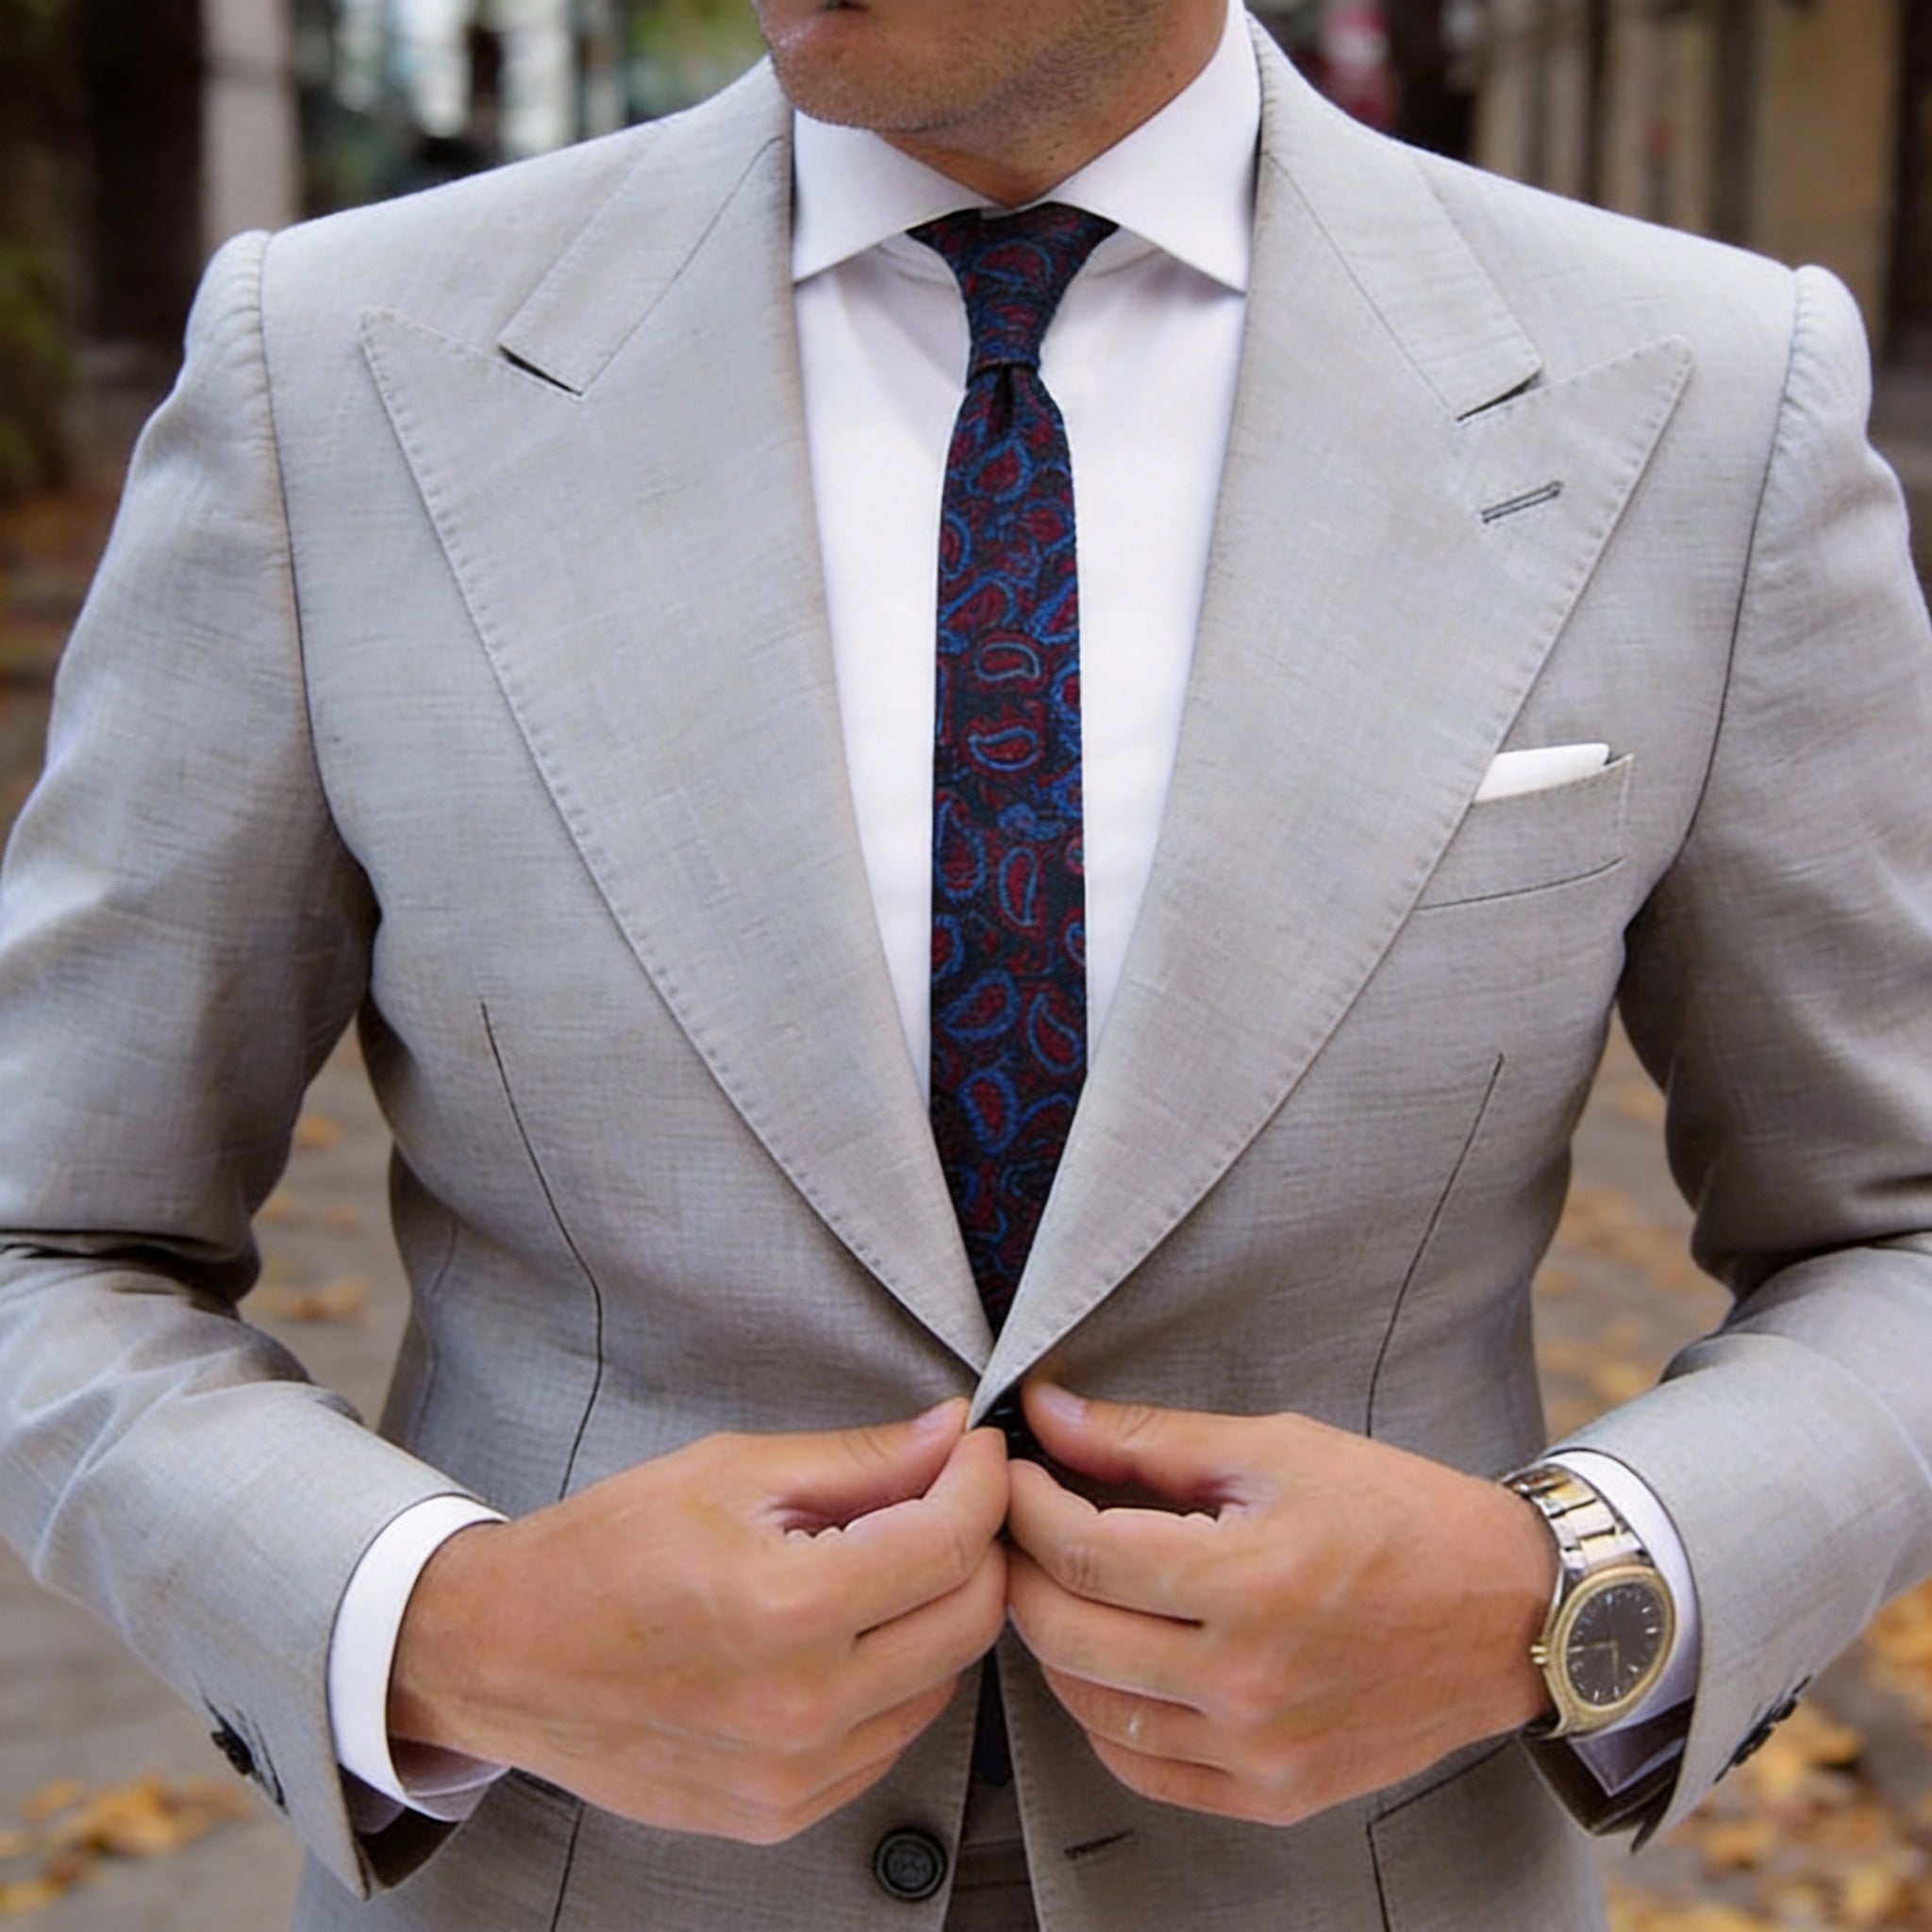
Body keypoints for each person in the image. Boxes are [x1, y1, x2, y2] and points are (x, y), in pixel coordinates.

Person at [1, 0, 1928, 1926]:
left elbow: (1893, 1230)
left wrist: (1569, 1592)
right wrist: (446, 1625)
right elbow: (50, 1235)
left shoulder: (1700, 393)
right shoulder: (334, 371)